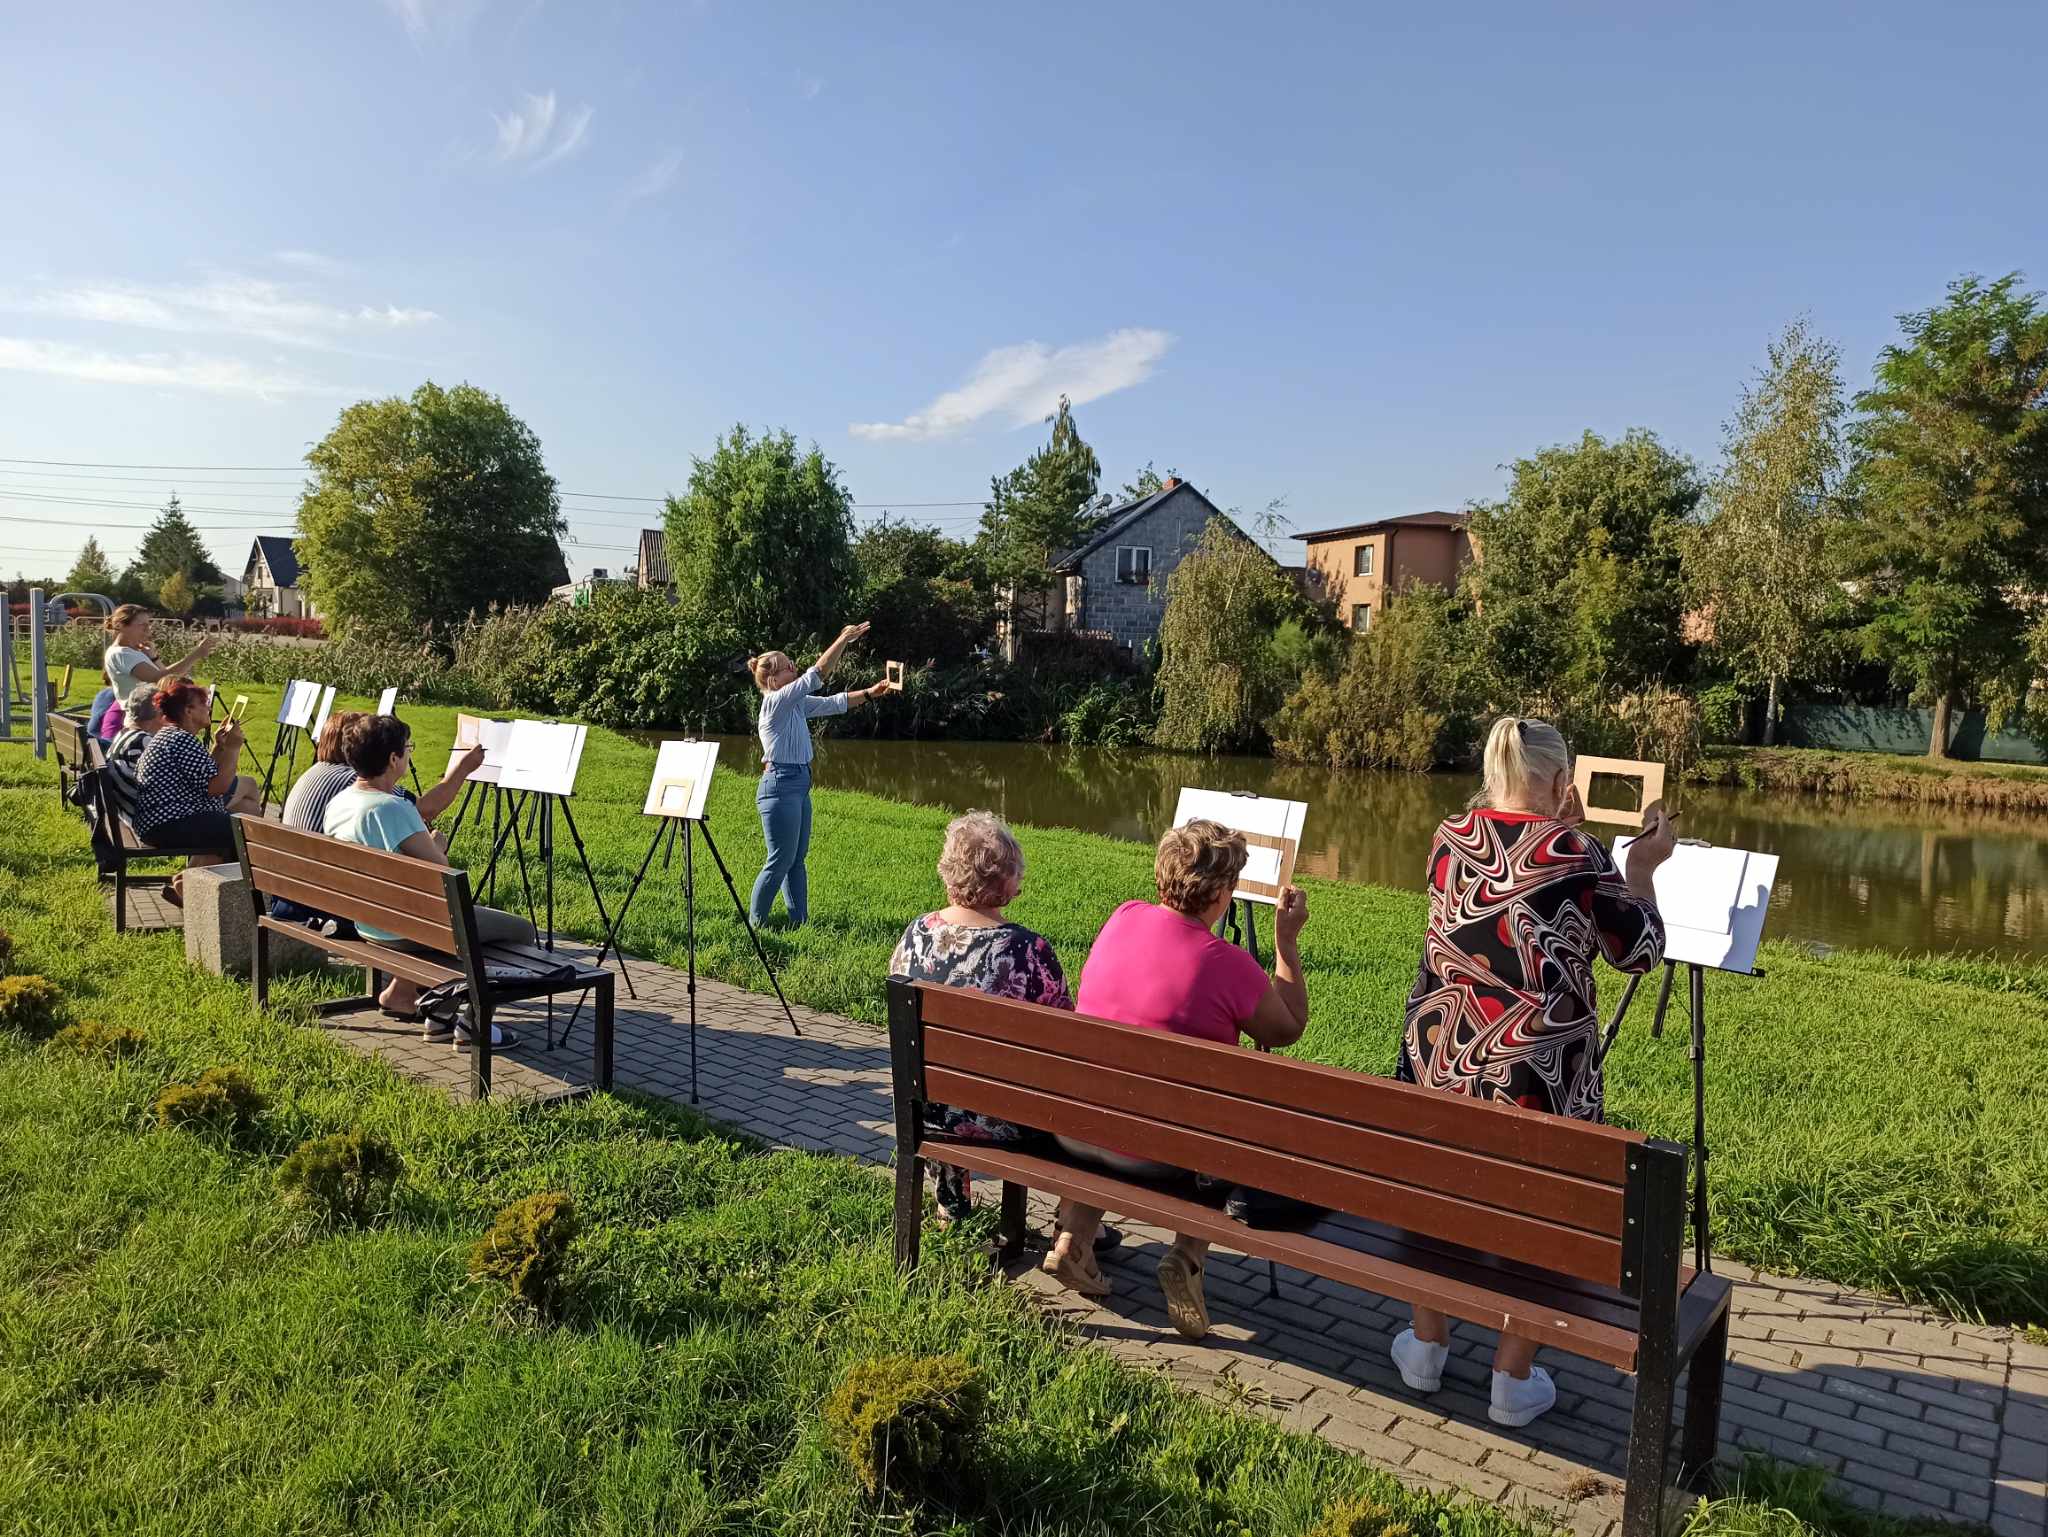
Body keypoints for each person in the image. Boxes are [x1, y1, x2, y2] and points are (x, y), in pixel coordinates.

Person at [1391, 715, 1673, 1429]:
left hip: (1439, 1063)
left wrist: (1560, 824)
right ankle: (1511, 1378)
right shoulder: (1578, 851)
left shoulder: (1449, 836)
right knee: (1554, 1207)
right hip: (1540, 1077)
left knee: (1432, 1186)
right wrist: (1639, 868)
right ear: (1559, 780)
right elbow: (1638, 950)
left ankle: (1426, 1346)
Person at [1041, 821, 1311, 1341]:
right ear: (1224, 893)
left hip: (1073, 1129)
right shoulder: (1227, 963)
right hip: (1159, 1154)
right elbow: (1287, 1028)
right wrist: (1285, 941)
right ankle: (1186, 1256)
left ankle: (1074, 1239)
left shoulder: (1123, 917)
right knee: (1229, 1127)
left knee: (1115, 1091)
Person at [889, 810, 1074, 1226]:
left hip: (927, 1107)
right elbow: (1065, 1039)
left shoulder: (915, 935)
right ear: (1004, 881)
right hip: (1007, 1118)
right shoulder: (1027, 951)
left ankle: (951, 1205)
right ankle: (1075, 1226)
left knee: (954, 1076)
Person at [322, 713, 534, 1050]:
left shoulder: (339, 803)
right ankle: (473, 1025)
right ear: (393, 759)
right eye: (407, 749)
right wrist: (438, 842)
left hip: (369, 923)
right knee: (522, 932)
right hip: (410, 927)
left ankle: (438, 1015)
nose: (409, 755)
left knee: (465, 931)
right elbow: (441, 869)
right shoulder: (391, 809)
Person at [747, 621, 896, 928]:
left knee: (796, 860)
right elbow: (818, 674)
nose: (795, 667)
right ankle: (756, 925)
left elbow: (833, 703)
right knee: (779, 860)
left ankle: (798, 922)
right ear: (774, 679)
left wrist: (870, 692)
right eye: (789, 665)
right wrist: (843, 639)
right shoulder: (776, 702)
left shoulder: (794, 706)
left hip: (799, 784)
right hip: (780, 785)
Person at [129, 680, 262, 901]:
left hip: (161, 820)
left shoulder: (172, 735)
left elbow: (203, 776)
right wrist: (234, 747)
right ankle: (205, 897)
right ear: (188, 711)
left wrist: (219, 747)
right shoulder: (180, 739)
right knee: (243, 832)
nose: (208, 708)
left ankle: (186, 884)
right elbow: (218, 787)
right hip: (169, 823)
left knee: (240, 815)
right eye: (203, 704)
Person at [282, 710, 482, 832]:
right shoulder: (356, 782)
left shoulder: (315, 772)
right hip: (322, 890)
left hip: (292, 884)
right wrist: (464, 767)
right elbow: (427, 808)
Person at [101, 605, 215, 741]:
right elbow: (161, 679)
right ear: (121, 625)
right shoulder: (122, 653)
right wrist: (196, 654)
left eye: (148, 624)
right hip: (146, 723)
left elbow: (170, 678)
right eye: (142, 625)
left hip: (152, 721)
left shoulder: (133, 652)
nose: (147, 630)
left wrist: (153, 658)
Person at [101, 684, 171, 825]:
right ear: (159, 712)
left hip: (124, 811)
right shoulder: (144, 742)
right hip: (143, 820)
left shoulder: (124, 735)